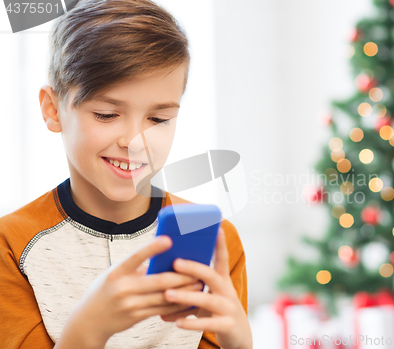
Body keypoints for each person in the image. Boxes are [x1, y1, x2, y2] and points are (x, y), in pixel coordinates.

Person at [0, 0, 252, 348]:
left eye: (158, 119)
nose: (135, 142)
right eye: (106, 114)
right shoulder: (11, 245)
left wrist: (239, 343)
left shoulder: (215, 241)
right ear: (52, 109)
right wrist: (86, 331)